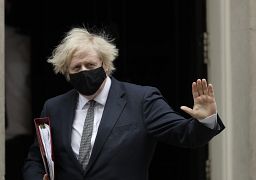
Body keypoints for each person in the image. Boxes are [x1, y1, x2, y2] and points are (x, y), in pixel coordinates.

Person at [22, 27, 225, 180]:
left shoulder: (141, 100)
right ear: (67, 73)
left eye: (90, 65)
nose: (84, 71)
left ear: (105, 64)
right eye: (76, 67)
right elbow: (37, 159)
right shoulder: (54, 107)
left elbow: (185, 135)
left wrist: (206, 120)